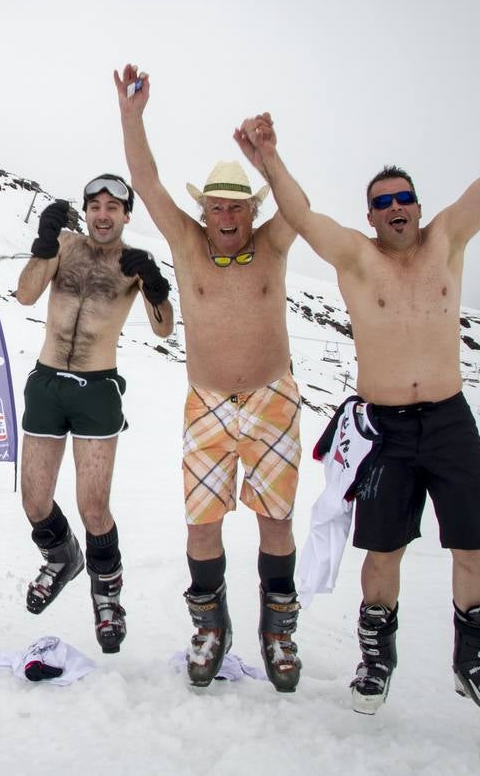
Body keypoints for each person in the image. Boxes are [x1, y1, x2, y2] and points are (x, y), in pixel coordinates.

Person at [238, 57, 480, 718]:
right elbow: (301, 214)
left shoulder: (447, 239)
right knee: (381, 548)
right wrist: (268, 157)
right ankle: (374, 661)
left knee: (472, 542)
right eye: (381, 202)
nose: (394, 209)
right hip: (384, 430)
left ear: (417, 206)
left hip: (449, 420)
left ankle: (474, 662)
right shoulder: (356, 258)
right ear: (369, 215)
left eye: (403, 198)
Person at [115, 65, 305, 691]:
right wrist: (133, 115)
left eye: (237, 206)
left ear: (253, 210)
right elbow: (145, 181)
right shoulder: (188, 242)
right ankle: (210, 624)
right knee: (202, 522)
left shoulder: (273, 243)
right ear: (205, 209)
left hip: (273, 399)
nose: (226, 216)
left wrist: (269, 159)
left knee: (275, 520)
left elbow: (300, 211)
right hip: (206, 403)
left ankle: (279, 630)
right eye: (217, 206)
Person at [15, 174, 174, 653]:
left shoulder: (132, 263)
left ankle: (108, 598)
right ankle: (63, 557)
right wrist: (43, 245)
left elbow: (164, 330)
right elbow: (25, 294)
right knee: (34, 502)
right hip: (47, 382)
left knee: (94, 507)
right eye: (96, 206)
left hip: (97, 387)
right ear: (86, 211)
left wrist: (156, 285)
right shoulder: (64, 245)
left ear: (127, 215)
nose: (103, 215)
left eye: (113, 207)